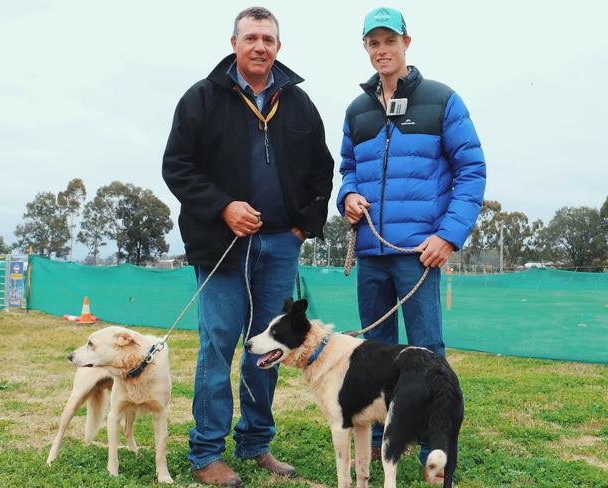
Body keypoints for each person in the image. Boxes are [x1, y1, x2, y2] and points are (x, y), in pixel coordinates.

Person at [162, 7, 333, 486]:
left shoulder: (298, 103)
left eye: (269, 39)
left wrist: (304, 226)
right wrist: (223, 207)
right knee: (217, 346)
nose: (260, 46)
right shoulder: (202, 98)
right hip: (222, 245)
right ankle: (206, 454)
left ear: (279, 47)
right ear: (234, 42)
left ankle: (256, 444)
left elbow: (322, 169)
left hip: (280, 246)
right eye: (252, 37)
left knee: (267, 349)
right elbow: (177, 167)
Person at [337, 6, 486, 476]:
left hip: (419, 255)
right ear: (366, 48)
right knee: (373, 357)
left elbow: (471, 170)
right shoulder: (357, 110)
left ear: (407, 43)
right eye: (373, 43)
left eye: (390, 41)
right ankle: (384, 446)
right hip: (371, 254)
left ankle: (435, 452)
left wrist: (448, 235)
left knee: (426, 355)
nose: (382, 50)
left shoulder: (442, 100)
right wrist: (348, 196)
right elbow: (348, 170)